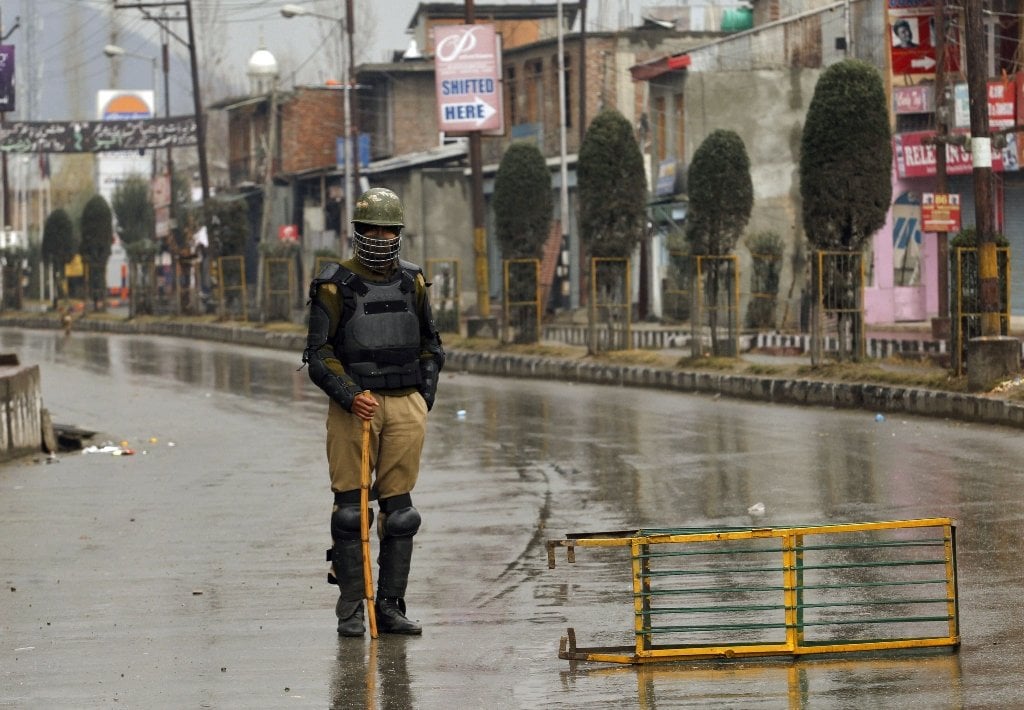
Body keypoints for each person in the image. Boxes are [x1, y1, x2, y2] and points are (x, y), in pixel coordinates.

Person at [303, 187, 445, 637]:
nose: (380, 236)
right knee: (351, 511)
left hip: (405, 404)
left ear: (399, 232)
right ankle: (351, 606)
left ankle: (390, 605)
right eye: (372, 228)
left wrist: (423, 396)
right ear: (358, 231)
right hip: (355, 409)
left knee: (401, 514)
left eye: (389, 229)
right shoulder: (334, 283)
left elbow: (431, 344)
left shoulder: (413, 281)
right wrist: (349, 394)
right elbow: (319, 353)